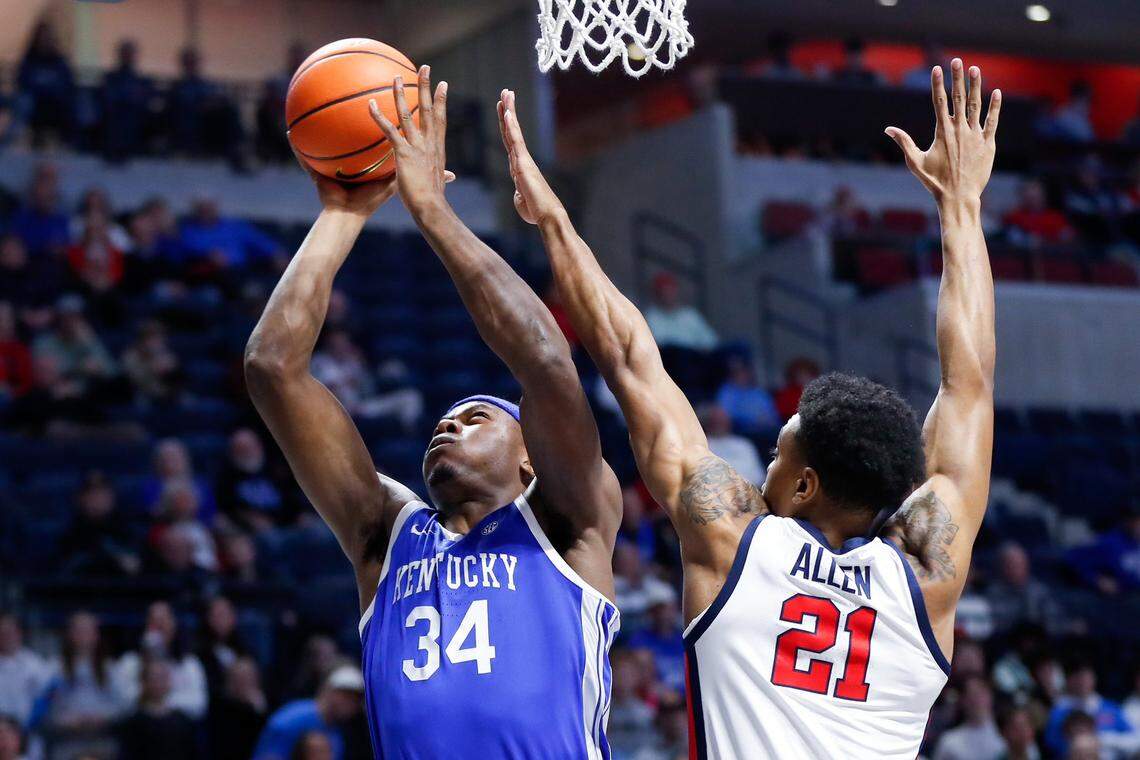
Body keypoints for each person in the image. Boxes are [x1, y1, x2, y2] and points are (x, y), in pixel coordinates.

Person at [498, 58, 1001, 758]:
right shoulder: (927, 574)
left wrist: (553, 222)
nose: (765, 468)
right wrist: (962, 204)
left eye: (777, 454)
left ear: (804, 485)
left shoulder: (735, 540)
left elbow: (630, 357)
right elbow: (969, 383)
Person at [245, 66, 623, 756]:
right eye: (445, 422)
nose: (448, 425)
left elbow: (545, 360)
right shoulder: (386, 535)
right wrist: (342, 214)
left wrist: (433, 213)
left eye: (477, 419)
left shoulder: (567, 519)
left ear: (531, 457)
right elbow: (272, 367)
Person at [41, 612, 125, 759]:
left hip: (102, 741)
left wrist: (102, 717)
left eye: (87, 631)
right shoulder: (55, 669)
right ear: (70, 635)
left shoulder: (110, 668)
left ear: (96, 635)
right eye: (78, 631)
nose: (83, 636)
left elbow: (122, 707)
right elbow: (45, 709)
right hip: (67, 742)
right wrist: (65, 720)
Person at [113, 601, 208, 720]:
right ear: (147, 626)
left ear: (173, 625)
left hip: (178, 725)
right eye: (154, 622)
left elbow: (199, 704)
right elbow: (121, 702)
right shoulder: (129, 661)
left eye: (164, 622)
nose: (159, 627)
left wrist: (160, 702)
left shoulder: (189, 662)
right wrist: (145, 666)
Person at [252, 666, 363, 760]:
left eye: (355, 700)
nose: (350, 703)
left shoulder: (337, 732)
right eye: (346, 695)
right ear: (328, 690)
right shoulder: (292, 720)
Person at [117, 658, 198, 760]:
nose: (159, 684)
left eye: (162, 678)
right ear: (144, 683)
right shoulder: (133, 723)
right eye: (154, 679)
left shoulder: (183, 721)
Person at [210, 657, 268, 760]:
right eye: (241, 678)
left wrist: (259, 710)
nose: (245, 682)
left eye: (249, 677)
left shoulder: (263, 704)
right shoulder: (221, 708)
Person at [934, 675, 1005, 760]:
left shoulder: (1009, 733)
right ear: (963, 701)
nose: (977, 700)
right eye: (971, 695)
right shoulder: (949, 742)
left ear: (990, 696)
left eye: (980, 694)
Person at [0, 613, 52, 726]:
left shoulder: (35, 664)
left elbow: (47, 696)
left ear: (19, 634)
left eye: (10, 633)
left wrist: (34, 719)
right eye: (2, 633)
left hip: (27, 727)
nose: (6, 637)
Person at [699, 404, 766, 485]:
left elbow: (759, 477)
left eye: (722, 419)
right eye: (716, 420)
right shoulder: (703, 446)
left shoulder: (744, 444)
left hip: (750, 489)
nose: (720, 423)